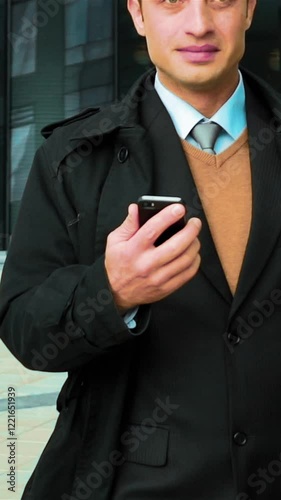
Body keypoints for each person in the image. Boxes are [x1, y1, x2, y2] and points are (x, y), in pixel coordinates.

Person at [1, 0, 281, 498]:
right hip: (135, 482)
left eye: (220, 0)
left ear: (249, 10)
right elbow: (23, 327)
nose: (199, 23)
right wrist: (109, 292)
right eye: (172, 1)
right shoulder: (74, 159)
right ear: (137, 14)